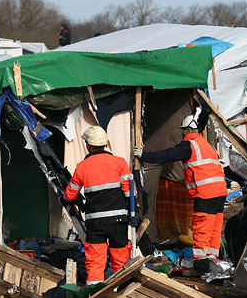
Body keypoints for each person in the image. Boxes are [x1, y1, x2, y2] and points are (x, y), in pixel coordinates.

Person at [134, 114, 227, 269]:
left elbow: (168, 155)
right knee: (214, 229)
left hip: (205, 193)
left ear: (189, 129)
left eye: (183, 130)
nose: (182, 133)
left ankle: (202, 263)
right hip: (219, 192)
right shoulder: (205, 144)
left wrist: (144, 155)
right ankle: (213, 261)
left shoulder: (189, 145)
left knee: (202, 228)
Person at [61, 126, 132, 285]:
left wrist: (63, 199)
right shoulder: (119, 163)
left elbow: (70, 195)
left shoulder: (82, 166)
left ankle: (94, 294)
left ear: (88, 145)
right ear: (104, 143)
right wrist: (134, 214)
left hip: (96, 223)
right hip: (119, 221)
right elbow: (130, 193)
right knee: (120, 260)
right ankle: (123, 290)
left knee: (95, 261)